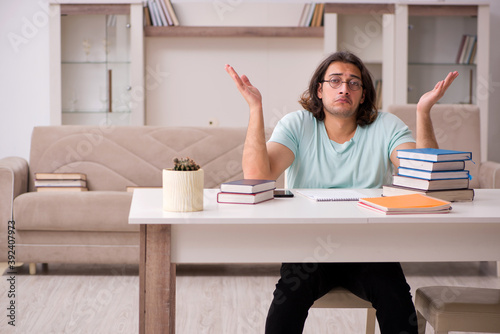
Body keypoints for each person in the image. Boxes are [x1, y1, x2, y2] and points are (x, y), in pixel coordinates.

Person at [225, 51, 458, 334]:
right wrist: (255, 108)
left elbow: (423, 175)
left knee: (396, 301)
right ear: (320, 90)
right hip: (308, 248)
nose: (344, 88)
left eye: (354, 83)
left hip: (370, 247)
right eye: (335, 81)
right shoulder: (297, 125)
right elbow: (258, 177)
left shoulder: (386, 126)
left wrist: (423, 112)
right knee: (286, 305)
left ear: (363, 95)